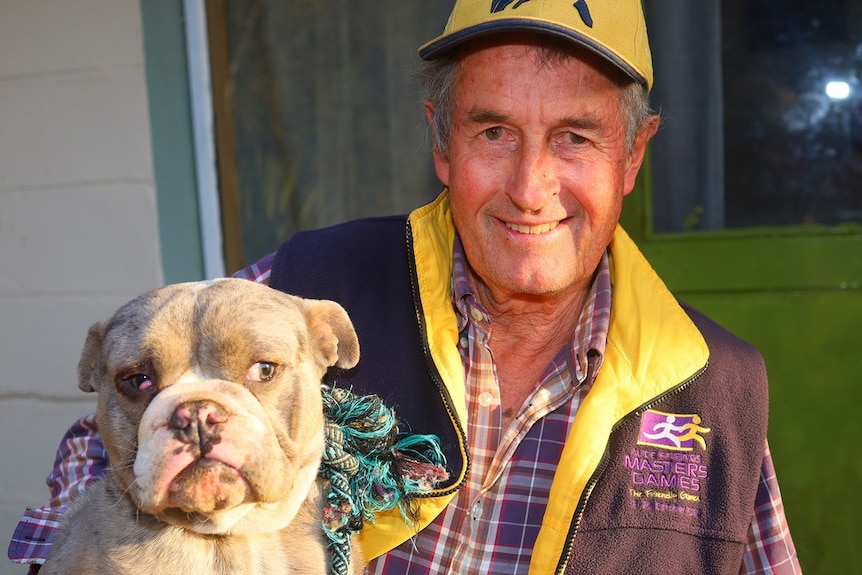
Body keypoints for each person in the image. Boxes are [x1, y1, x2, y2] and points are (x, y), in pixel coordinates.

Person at [9, 1, 801, 573]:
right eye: (493, 132)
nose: (530, 188)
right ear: (440, 142)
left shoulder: (714, 388)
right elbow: (112, 428)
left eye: (575, 138)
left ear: (632, 157)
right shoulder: (312, 284)